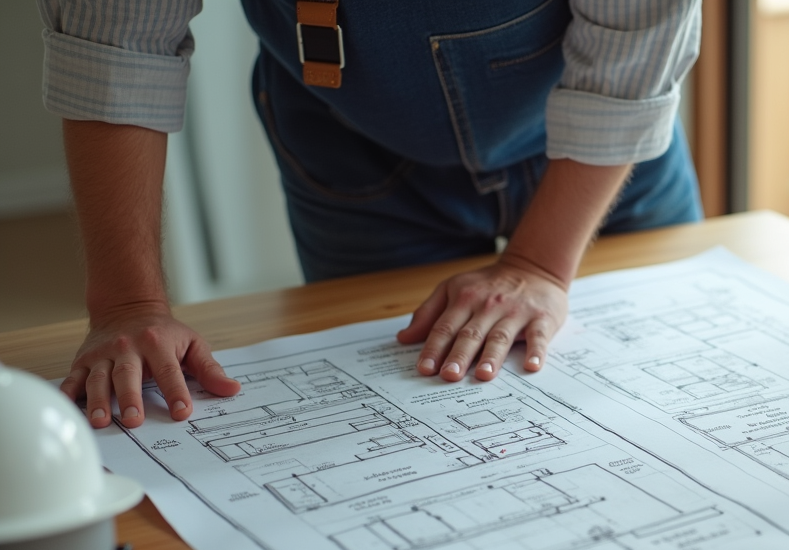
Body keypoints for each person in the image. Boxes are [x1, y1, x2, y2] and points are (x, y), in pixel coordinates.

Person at [39, 0, 702, 429]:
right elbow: (116, 48)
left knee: (667, 404)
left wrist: (540, 264)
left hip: (607, 148)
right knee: (416, 412)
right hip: (355, 153)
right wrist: (127, 303)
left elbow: (640, 33)